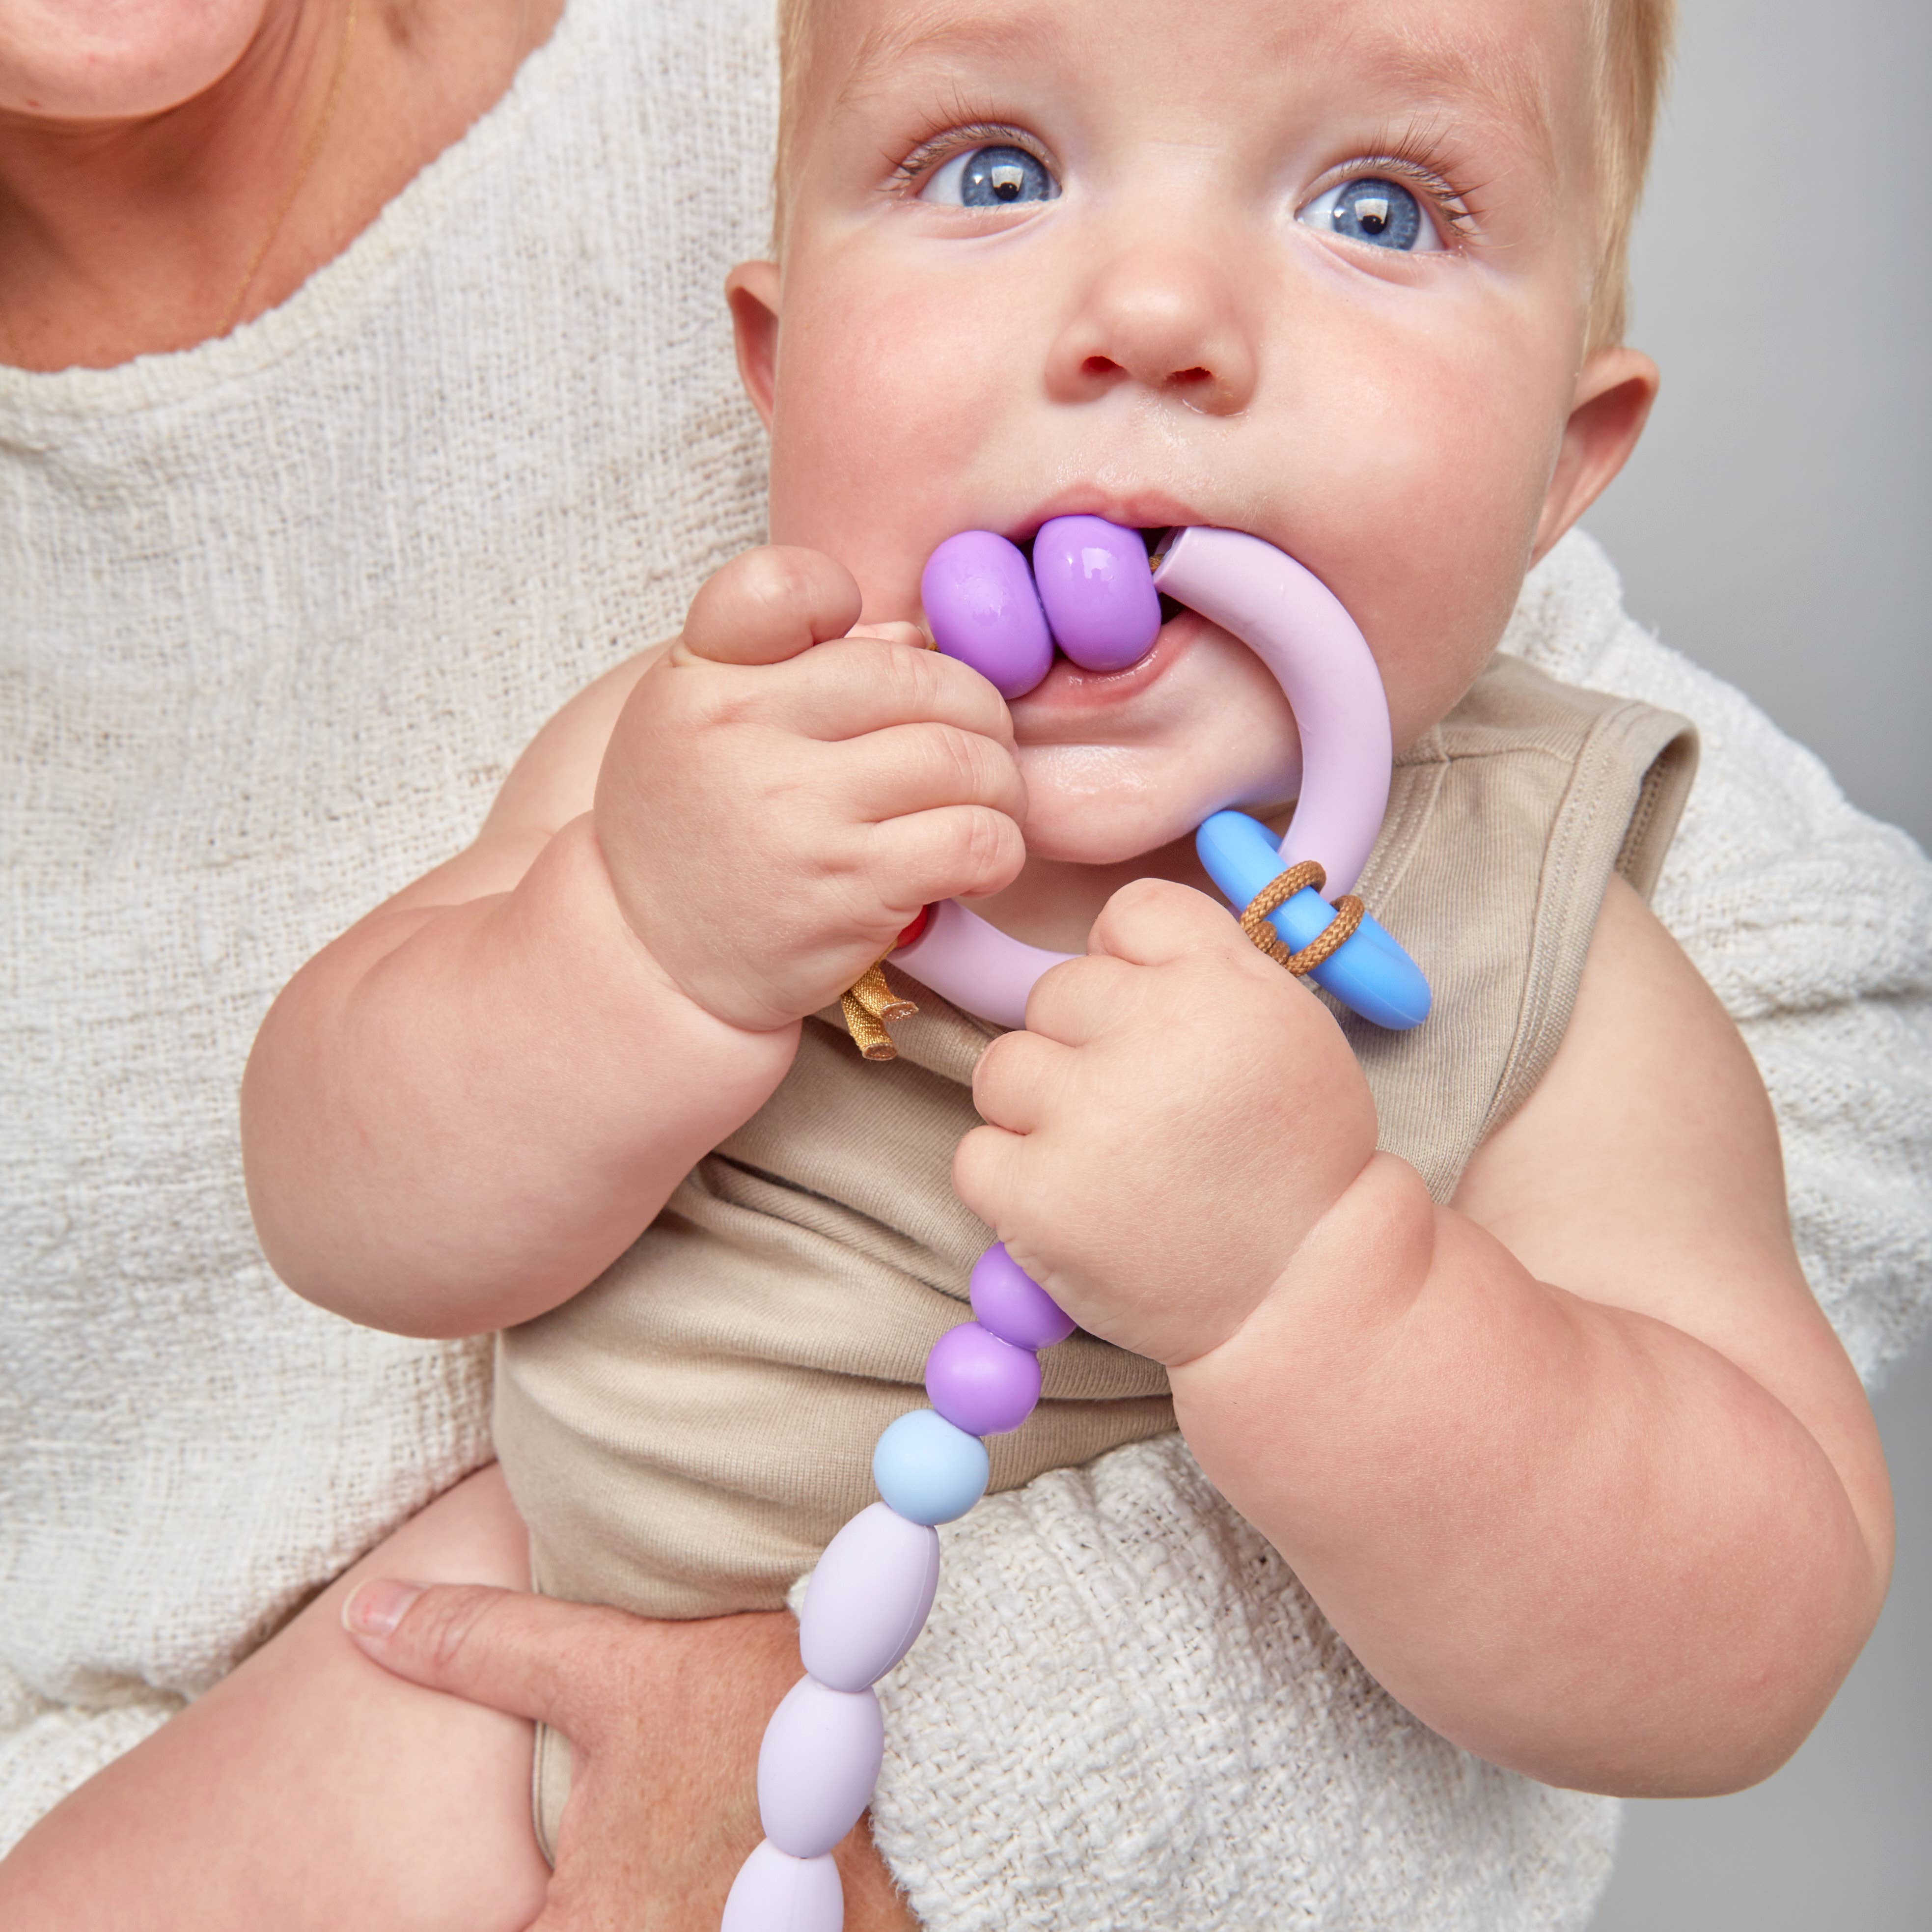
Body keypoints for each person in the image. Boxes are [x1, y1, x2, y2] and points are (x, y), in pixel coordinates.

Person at [2, 6, 1929, 1932]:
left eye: (1378, 207)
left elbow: (1754, 1629)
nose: (1156, 310)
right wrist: (635, 949)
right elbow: (349, 1211)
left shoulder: (1547, 956)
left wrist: (1324, 1283)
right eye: (995, 174)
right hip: (527, 1675)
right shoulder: (718, 760)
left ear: (1560, 467)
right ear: (778, 359)